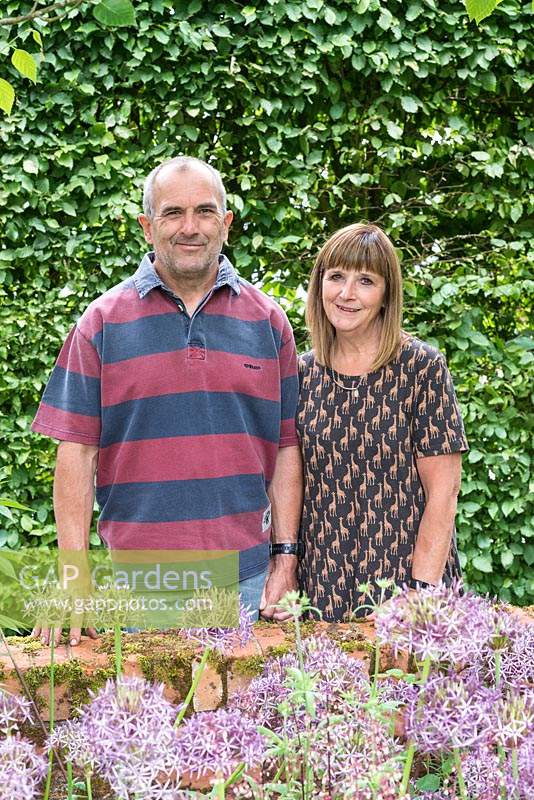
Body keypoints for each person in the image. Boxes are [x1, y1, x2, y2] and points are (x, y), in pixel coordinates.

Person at [31, 156, 303, 644]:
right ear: (146, 227)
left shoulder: (269, 322)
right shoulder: (100, 324)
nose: (190, 228)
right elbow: (76, 452)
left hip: (246, 580)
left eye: (204, 212)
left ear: (226, 224)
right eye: (172, 213)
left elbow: (285, 448)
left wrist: (285, 557)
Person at [297, 223, 468, 620]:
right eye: (336, 277)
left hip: (406, 588)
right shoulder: (302, 373)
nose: (346, 294)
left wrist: (421, 596)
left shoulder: (421, 367)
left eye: (365, 281)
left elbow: (445, 492)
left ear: (387, 293)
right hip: (322, 586)